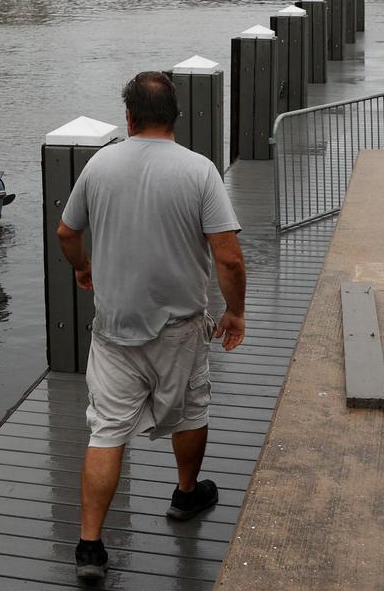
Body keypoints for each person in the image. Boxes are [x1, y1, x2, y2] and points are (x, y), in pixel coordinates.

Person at [55, 71, 247, 584]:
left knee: (107, 430)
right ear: (175, 117)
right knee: (189, 410)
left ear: (130, 116)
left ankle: (90, 547)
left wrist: (82, 266)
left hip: (114, 329)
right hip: (181, 329)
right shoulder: (200, 172)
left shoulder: (99, 165)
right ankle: (186, 495)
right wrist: (235, 312)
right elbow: (228, 259)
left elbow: (67, 232)